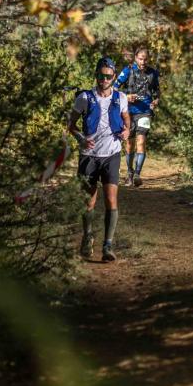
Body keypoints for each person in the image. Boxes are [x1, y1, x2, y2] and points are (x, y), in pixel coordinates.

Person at [68, 56, 130, 262]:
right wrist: (81, 139)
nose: (104, 80)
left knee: (111, 200)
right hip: (89, 156)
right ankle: (87, 237)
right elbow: (71, 125)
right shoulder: (84, 98)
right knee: (89, 202)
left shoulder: (120, 97)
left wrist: (127, 130)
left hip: (111, 154)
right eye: (101, 76)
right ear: (96, 75)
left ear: (113, 77)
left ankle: (108, 245)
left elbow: (126, 118)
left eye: (108, 76)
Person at [114, 46, 160, 187]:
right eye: (141, 59)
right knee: (129, 144)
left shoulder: (153, 73)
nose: (143, 62)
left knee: (141, 142)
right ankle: (129, 173)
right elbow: (114, 88)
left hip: (145, 111)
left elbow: (157, 92)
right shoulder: (128, 70)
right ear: (135, 58)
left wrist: (156, 101)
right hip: (127, 112)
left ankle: (137, 175)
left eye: (145, 59)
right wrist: (126, 96)